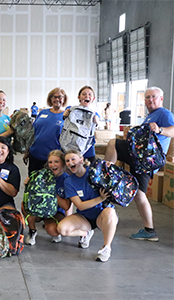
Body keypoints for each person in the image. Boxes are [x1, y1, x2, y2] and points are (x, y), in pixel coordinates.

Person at [104, 86, 174, 241]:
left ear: (161, 98)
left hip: (147, 158)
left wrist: (160, 130)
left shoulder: (164, 113)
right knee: (139, 194)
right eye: (147, 97)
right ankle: (150, 231)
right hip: (142, 159)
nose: (150, 100)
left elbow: (173, 130)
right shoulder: (151, 116)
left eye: (153, 97)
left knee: (113, 143)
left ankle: (106, 174)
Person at [57, 150, 117, 262]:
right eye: (67, 161)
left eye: (73, 159)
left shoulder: (95, 172)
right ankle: (86, 233)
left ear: (81, 160)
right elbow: (80, 206)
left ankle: (106, 247)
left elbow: (114, 179)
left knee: (110, 212)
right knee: (62, 229)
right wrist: (100, 198)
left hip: (101, 215)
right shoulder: (69, 182)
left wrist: (109, 167)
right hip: (84, 217)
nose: (70, 162)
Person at [23, 150, 71, 245]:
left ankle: (54, 230)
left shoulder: (67, 180)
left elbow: (66, 206)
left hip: (56, 211)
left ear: (63, 163)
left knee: (53, 230)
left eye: (56, 162)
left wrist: (51, 193)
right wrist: (29, 184)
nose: (53, 165)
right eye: (50, 162)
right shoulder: (41, 175)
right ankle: (32, 231)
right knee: (25, 205)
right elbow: (30, 195)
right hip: (39, 207)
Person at [26, 88, 68, 175]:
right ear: (50, 99)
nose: (57, 99)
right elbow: (33, 132)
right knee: (33, 183)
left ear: (64, 99)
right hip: (35, 155)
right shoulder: (43, 112)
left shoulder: (67, 117)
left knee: (50, 185)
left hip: (53, 160)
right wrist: (27, 150)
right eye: (54, 97)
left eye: (60, 97)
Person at [64, 86, 99, 162]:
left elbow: (97, 123)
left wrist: (96, 120)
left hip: (87, 150)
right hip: (69, 147)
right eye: (84, 94)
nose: (87, 96)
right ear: (79, 97)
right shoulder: (71, 109)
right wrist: (65, 114)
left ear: (93, 98)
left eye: (90, 94)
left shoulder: (95, 113)